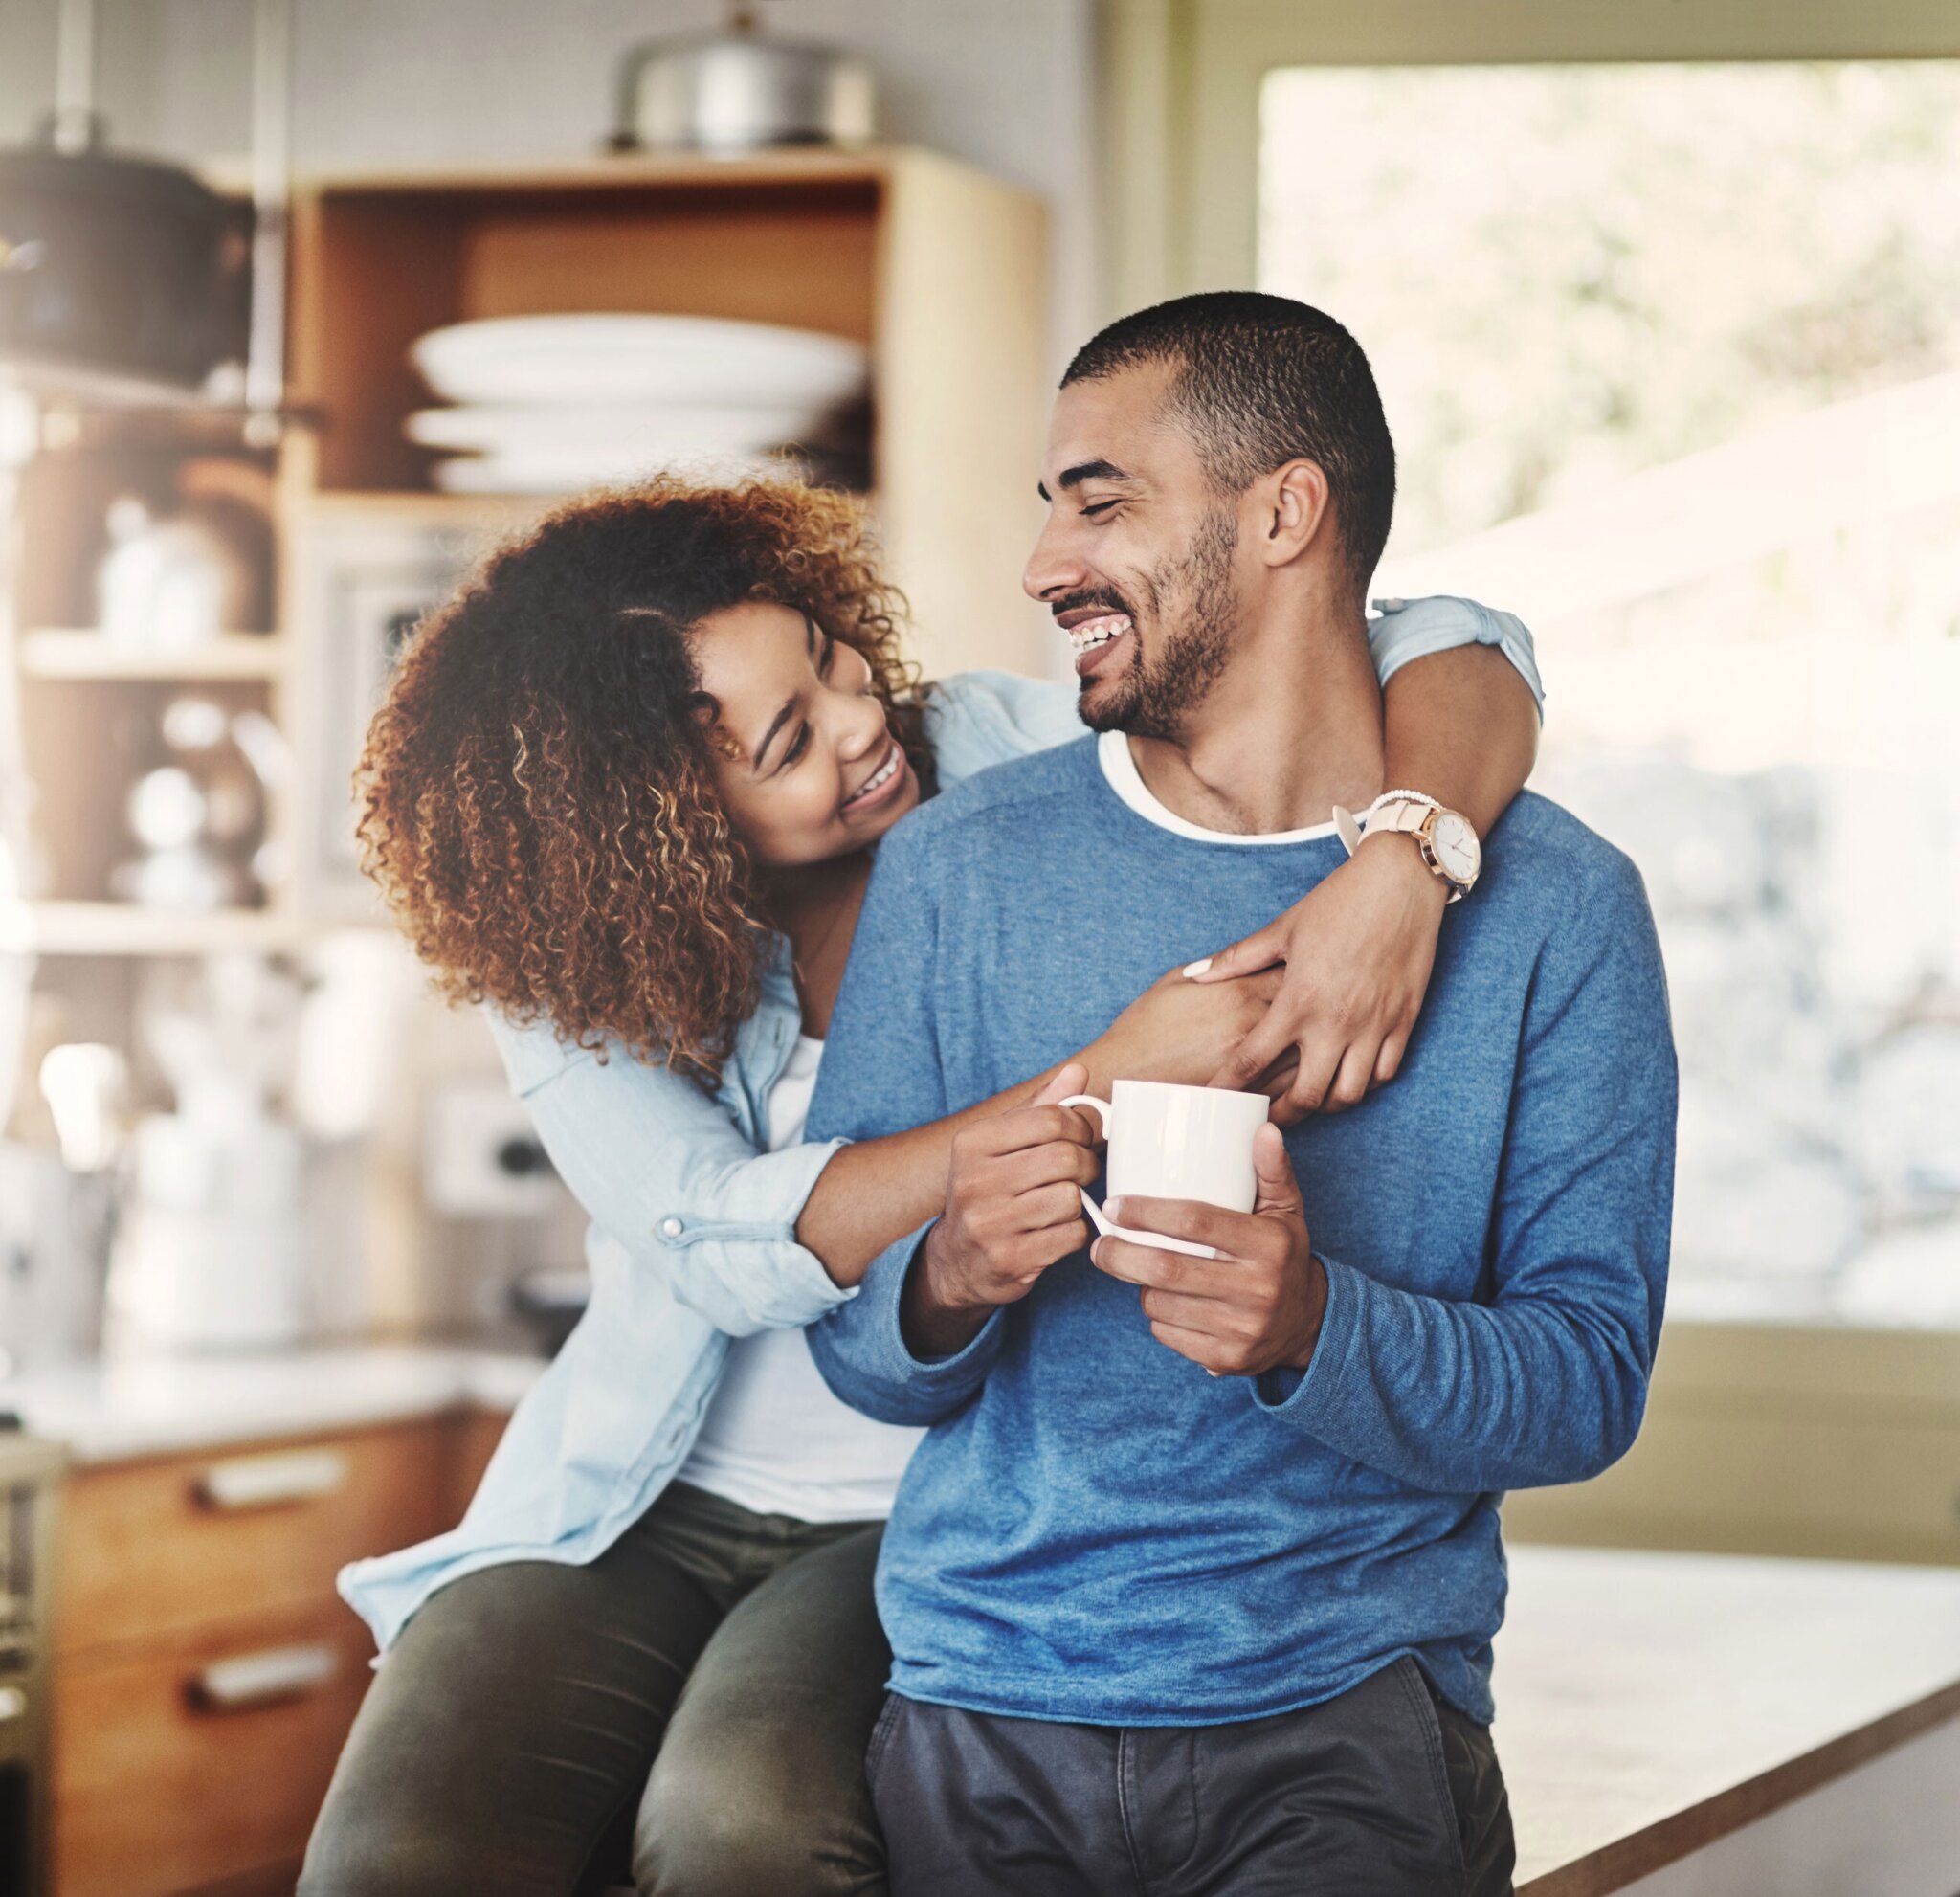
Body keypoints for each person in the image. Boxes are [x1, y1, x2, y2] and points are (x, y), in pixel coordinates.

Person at [301, 469, 1545, 1895]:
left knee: (741, 1829)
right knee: (393, 1857)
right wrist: (1100, 1070)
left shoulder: (1005, 750)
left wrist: (1406, 854)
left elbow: (1463, 640)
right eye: (789, 740)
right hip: (635, 1496)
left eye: (833, 662)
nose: (861, 727)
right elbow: (720, 1235)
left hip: (928, 1496)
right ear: (661, 833)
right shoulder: (570, 960)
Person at [804, 292, 1678, 1897]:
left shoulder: (1558, 908)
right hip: (982, 1717)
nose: (1043, 563)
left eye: (1103, 498)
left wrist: (1309, 1328)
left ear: (1285, 511)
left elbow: (1586, 1382)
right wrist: (949, 1273)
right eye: (1050, 504)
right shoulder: (955, 869)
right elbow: (855, 1346)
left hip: (1348, 1732)